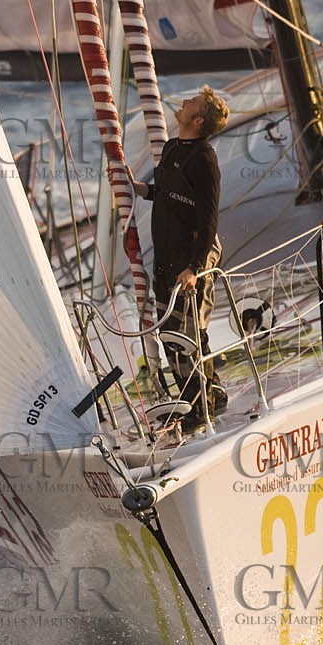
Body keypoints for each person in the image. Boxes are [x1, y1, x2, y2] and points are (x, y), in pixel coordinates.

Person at [131, 86, 228, 430]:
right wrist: (139, 189)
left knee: (187, 335)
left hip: (190, 262)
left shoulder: (205, 159)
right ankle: (195, 401)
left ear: (197, 120)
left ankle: (203, 409)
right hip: (166, 260)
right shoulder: (173, 148)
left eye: (192, 104)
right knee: (169, 332)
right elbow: (167, 194)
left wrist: (195, 268)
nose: (183, 102)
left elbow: (208, 218)